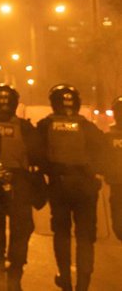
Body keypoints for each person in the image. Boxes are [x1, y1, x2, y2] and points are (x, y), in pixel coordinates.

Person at [36, 85, 106, 291]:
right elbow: (102, 153)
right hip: (85, 188)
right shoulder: (87, 126)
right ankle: (83, 282)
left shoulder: (45, 125)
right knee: (85, 237)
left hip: (60, 186)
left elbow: (37, 155)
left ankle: (64, 278)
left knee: (62, 233)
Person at [0, 84, 40, 291]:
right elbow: (38, 154)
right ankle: (12, 271)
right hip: (15, 181)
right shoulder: (24, 127)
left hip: (1, 180)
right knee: (17, 228)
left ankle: (3, 267)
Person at [106, 95, 122, 242]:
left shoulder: (109, 136)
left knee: (118, 223)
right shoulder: (108, 136)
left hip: (117, 184)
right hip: (116, 183)